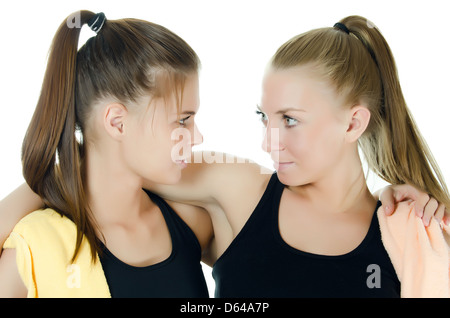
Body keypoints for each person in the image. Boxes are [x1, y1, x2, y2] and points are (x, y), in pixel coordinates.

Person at [0, 13, 447, 298]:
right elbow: (95, 166)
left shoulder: (409, 238)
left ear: (353, 123)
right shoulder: (237, 190)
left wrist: (412, 201)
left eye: (289, 119)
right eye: (262, 116)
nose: (268, 141)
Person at [0, 10, 212, 298]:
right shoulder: (32, 250)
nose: (197, 137)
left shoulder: (191, 222)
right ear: (117, 122)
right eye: (182, 120)